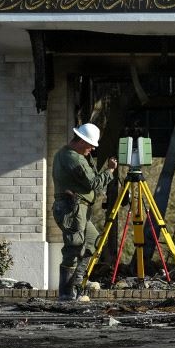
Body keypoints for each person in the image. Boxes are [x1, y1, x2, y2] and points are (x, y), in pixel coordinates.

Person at [51, 122, 118, 300]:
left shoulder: (70, 155)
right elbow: (93, 183)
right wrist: (110, 171)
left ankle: (77, 282)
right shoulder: (73, 158)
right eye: (90, 145)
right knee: (74, 247)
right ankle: (66, 293)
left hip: (77, 209)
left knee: (93, 242)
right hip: (72, 209)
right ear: (81, 141)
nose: (92, 149)